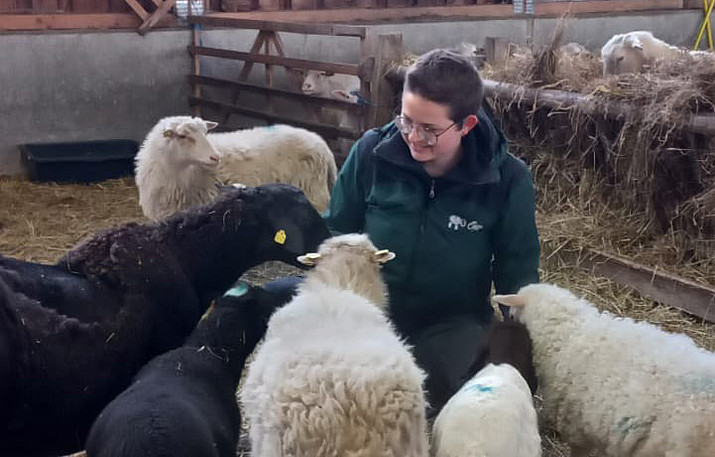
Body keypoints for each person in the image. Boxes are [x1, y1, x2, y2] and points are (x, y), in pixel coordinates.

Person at [266, 48, 540, 416]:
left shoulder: (508, 180)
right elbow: (335, 233)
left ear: (467, 125)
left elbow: (517, 271)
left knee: (472, 405)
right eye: (407, 121)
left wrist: (519, 345)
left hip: (452, 325)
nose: (413, 136)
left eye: (430, 129)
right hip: (368, 317)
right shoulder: (371, 154)